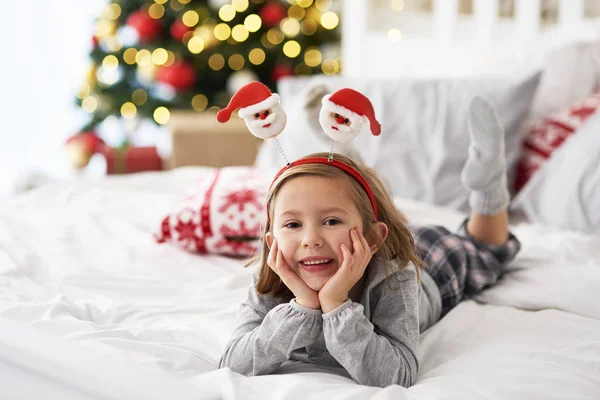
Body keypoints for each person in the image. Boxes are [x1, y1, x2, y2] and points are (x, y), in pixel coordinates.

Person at [219, 97, 521, 388]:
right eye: (293, 224)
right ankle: (352, 167)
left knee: (484, 246)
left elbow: (397, 375)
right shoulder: (270, 277)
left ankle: (487, 184)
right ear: (272, 242)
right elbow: (233, 363)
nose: (310, 240)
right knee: (379, 215)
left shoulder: (395, 278)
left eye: (331, 222)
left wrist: (336, 304)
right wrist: (304, 305)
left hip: (429, 264)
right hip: (378, 234)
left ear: (373, 237)